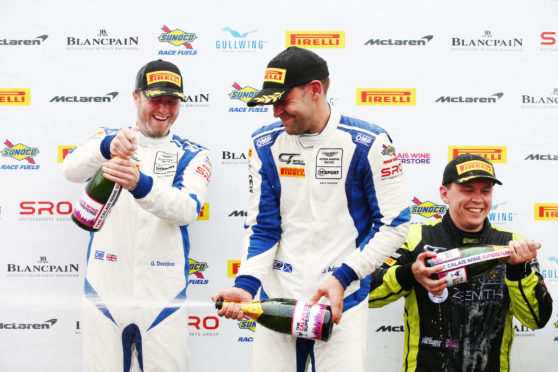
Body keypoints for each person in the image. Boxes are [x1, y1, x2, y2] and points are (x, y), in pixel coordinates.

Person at [211, 46, 411, 371]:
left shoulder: (369, 143)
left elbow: (394, 224)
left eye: (283, 101)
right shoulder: (264, 144)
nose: (276, 112)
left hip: (341, 301)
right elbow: (263, 228)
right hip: (278, 301)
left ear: (315, 90)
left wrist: (344, 277)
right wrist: (246, 285)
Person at [63, 59, 212, 372]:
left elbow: (186, 210)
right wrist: (106, 147)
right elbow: (70, 169)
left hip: (163, 300)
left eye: (172, 101)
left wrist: (139, 184)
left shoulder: (193, 153)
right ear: (136, 97)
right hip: (104, 293)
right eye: (154, 99)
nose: (163, 109)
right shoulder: (110, 139)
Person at [369, 153, 553, 372]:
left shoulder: (514, 246)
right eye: (468, 190)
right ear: (444, 194)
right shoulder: (414, 239)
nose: (478, 199)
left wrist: (518, 272)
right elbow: (367, 294)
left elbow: (538, 318)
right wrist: (410, 273)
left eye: (485, 191)